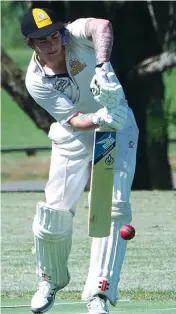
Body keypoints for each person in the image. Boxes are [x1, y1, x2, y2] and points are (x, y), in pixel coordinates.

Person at [20, 7, 139, 314]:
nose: (52, 44)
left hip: (119, 125)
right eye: (42, 40)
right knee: (53, 213)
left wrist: (102, 66)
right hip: (75, 133)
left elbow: (102, 25)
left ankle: (99, 293)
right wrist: (101, 116)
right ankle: (50, 280)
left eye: (54, 35)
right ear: (31, 45)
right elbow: (72, 119)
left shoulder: (75, 35)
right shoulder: (35, 80)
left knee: (112, 208)